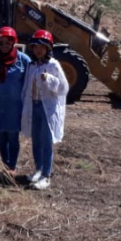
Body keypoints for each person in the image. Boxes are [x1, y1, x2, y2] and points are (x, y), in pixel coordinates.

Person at [20, 29, 69, 190]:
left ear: (48, 48)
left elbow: (63, 88)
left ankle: (46, 175)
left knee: (46, 142)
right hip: (33, 106)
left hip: (47, 107)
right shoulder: (31, 65)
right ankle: (38, 169)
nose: (39, 50)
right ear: (32, 48)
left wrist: (49, 79)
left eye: (42, 47)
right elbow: (27, 87)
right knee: (36, 140)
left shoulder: (53, 65)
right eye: (36, 47)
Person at [0, 26, 31, 178]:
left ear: (13, 43)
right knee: (1, 136)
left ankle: (12, 166)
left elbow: (30, 80)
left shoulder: (23, 59)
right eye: (1, 43)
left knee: (12, 137)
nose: (4, 46)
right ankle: (4, 164)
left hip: (14, 106)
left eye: (7, 43)